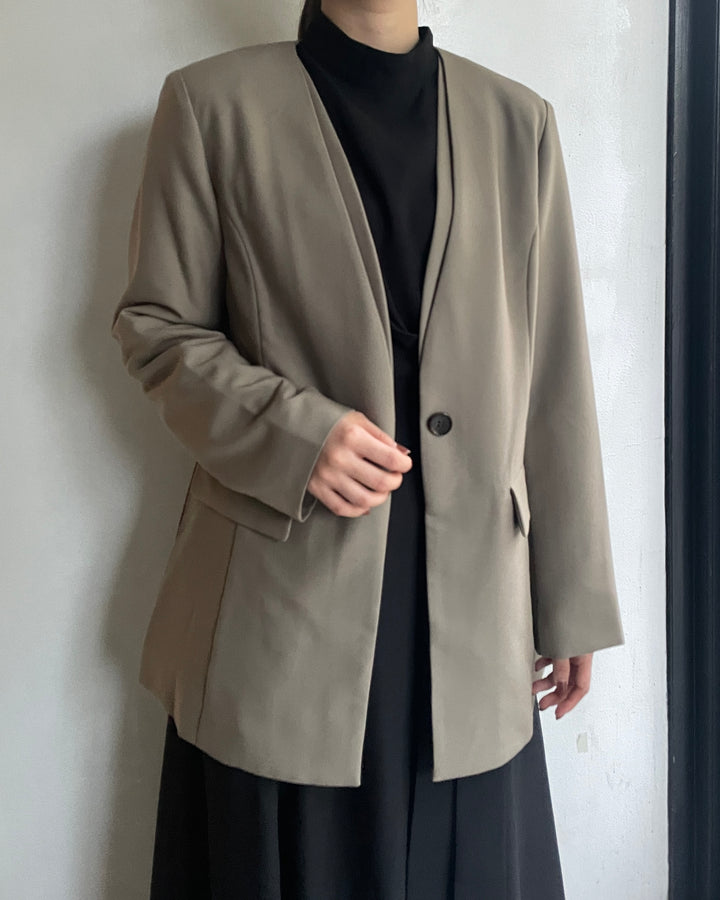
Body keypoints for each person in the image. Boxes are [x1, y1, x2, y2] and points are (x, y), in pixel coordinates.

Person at [111, 1, 625, 896]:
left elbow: (554, 373)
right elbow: (158, 329)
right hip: (282, 605)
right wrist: (293, 434)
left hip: (475, 608)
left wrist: (571, 597)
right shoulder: (210, 106)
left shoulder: (519, 123)